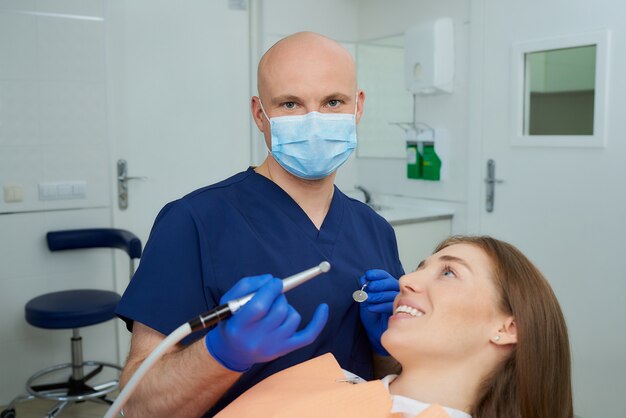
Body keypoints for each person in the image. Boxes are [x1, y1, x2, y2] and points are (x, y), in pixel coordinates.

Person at [115, 31, 404, 417]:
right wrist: (220, 353)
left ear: (358, 107)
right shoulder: (193, 222)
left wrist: (386, 348)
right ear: (259, 114)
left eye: (333, 102)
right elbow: (137, 407)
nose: (314, 122)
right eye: (290, 103)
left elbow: (394, 378)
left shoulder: (375, 229)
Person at [213, 236, 573, 418]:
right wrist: (216, 357)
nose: (407, 280)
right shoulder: (320, 379)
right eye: (419, 266)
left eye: (448, 272)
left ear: (508, 328)